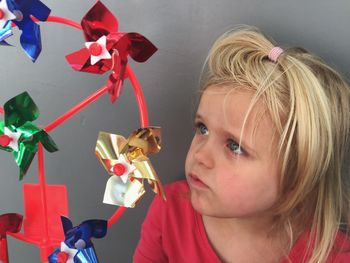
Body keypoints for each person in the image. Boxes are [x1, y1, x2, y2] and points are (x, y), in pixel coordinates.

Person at [133, 26, 350, 263]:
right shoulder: (170, 211)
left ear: (296, 176)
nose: (200, 155)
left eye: (234, 146)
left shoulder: (334, 257)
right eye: (202, 129)